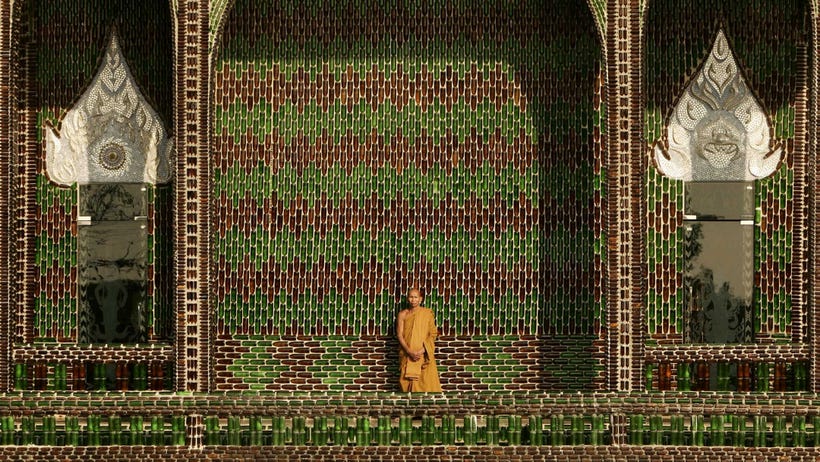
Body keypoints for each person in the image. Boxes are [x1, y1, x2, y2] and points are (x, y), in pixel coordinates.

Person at [396, 288, 442, 392]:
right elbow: (399, 335)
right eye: (411, 297)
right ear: (407, 298)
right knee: (406, 384)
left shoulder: (427, 314)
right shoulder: (403, 314)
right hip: (407, 354)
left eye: (415, 297)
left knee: (426, 384)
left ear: (420, 299)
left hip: (423, 355)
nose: (413, 300)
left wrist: (422, 351)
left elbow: (433, 334)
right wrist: (409, 351)